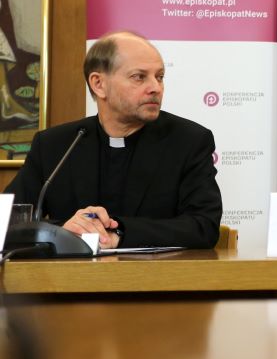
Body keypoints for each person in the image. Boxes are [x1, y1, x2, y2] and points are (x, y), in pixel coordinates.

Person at [6, 31, 222, 249]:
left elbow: (204, 226)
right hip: (70, 281)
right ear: (99, 84)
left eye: (159, 76)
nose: (156, 87)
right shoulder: (55, 145)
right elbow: (7, 221)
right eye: (139, 77)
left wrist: (120, 233)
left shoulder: (188, 141)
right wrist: (64, 230)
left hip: (157, 279)